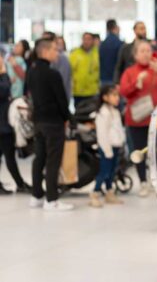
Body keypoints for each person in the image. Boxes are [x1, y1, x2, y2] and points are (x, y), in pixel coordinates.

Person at [120, 40, 157, 196]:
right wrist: (136, 83)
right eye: (142, 51)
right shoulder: (130, 72)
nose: (146, 54)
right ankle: (143, 182)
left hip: (156, 118)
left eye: (148, 50)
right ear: (135, 55)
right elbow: (123, 91)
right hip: (136, 120)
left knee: (156, 152)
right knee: (138, 151)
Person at [25, 38, 73, 211]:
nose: (57, 52)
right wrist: (67, 119)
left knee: (39, 158)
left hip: (38, 121)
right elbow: (62, 100)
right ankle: (51, 199)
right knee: (53, 159)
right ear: (44, 51)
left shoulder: (31, 71)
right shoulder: (53, 74)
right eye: (54, 49)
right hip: (53, 122)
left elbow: (28, 94)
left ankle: (36, 195)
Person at [89, 84, 126, 208]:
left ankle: (109, 192)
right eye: (114, 95)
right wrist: (107, 150)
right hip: (107, 148)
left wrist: (121, 141)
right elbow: (102, 134)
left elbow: (118, 129)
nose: (117, 98)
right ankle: (95, 193)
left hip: (115, 146)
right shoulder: (103, 113)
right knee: (104, 171)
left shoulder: (115, 111)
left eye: (118, 95)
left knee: (111, 171)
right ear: (105, 97)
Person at [0, 55, 30, 194]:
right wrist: (4, 73)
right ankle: (20, 183)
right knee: (10, 156)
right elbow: (4, 90)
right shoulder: (3, 77)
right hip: (2, 126)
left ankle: (19, 183)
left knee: (7, 155)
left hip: (4, 123)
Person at [70, 32, 100, 108]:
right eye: (84, 39)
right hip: (78, 92)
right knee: (79, 114)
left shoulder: (98, 53)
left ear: (93, 40)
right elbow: (70, 71)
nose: (86, 41)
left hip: (93, 91)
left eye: (89, 39)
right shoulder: (75, 53)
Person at [100, 19, 123, 86]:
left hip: (103, 78)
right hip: (115, 79)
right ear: (116, 27)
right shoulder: (119, 43)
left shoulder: (102, 44)